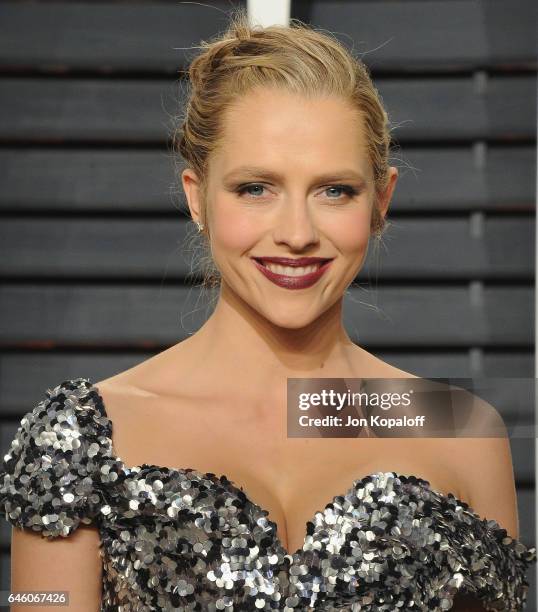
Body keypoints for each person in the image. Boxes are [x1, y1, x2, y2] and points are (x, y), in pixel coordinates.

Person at [0, 8, 535, 611]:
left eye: (335, 190)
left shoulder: (462, 429)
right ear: (196, 196)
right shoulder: (81, 438)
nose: (297, 233)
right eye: (256, 188)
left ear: (382, 200)